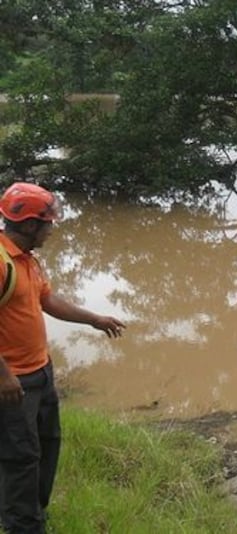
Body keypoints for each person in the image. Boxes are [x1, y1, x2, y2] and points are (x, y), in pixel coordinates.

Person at [0, 182, 126, 533]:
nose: (52, 229)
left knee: (46, 445)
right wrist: (3, 376)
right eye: (48, 223)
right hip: (13, 381)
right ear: (30, 225)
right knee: (20, 456)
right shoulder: (1, 262)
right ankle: (22, 525)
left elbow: (47, 300)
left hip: (41, 372)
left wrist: (94, 319)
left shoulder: (27, 259)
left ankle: (33, 514)